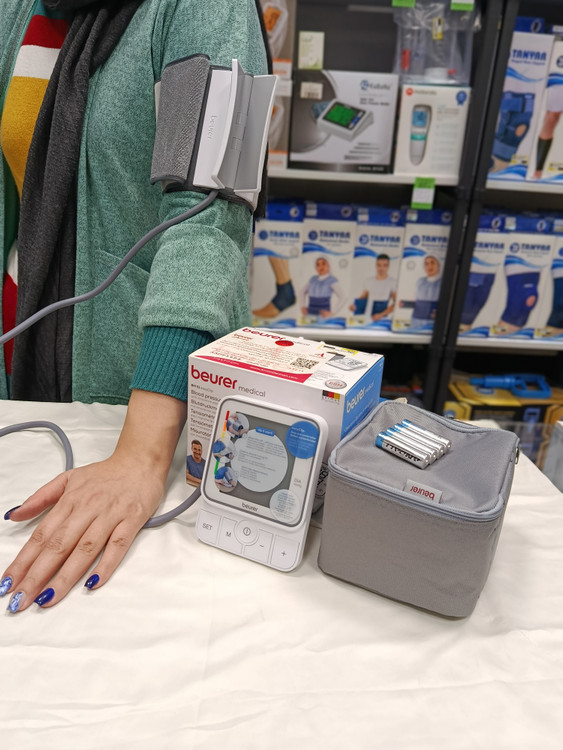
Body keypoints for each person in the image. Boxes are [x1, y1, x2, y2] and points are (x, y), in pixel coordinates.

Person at [0, 0, 268, 613]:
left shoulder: (206, 10)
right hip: (21, 369)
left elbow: (207, 216)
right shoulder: (16, 10)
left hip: (147, 399)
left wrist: (142, 457)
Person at [349, 254, 396, 322]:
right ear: (375, 265)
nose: (381, 268)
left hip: (381, 317)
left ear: (388, 266)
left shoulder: (392, 282)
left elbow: (395, 304)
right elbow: (363, 297)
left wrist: (381, 315)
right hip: (366, 315)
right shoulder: (368, 281)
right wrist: (354, 306)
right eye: (379, 265)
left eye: (384, 265)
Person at [398, 255, 442, 329]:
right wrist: (405, 304)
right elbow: (418, 303)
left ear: (438, 265)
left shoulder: (442, 282)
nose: (429, 266)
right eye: (426, 264)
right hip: (416, 320)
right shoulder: (420, 282)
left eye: (432, 263)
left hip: (432, 322)